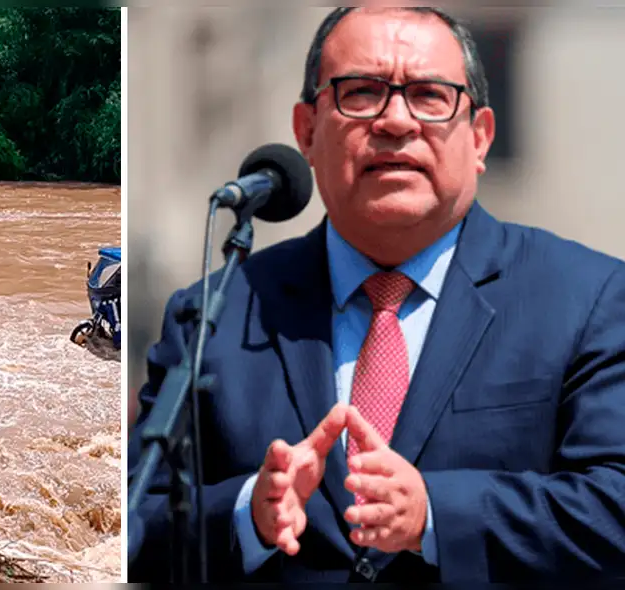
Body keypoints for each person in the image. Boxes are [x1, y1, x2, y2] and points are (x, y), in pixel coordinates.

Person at [128, 6, 625, 584]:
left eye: (429, 95)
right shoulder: (213, 316)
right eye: (360, 93)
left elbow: (615, 509)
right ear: (307, 131)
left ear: (481, 137)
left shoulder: (589, 298)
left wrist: (435, 514)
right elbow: (133, 526)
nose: (394, 121)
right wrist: (246, 515)